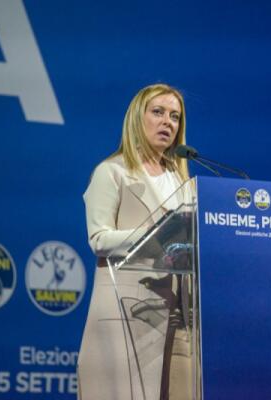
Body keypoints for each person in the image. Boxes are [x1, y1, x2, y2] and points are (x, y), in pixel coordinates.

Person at [77, 83, 193, 400]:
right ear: (137, 118)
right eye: (158, 112)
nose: (167, 122)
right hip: (126, 308)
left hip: (179, 314)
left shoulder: (182, 181)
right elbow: (98, 239)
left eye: (175, 116)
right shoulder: (111, 172)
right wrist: (155, 235)